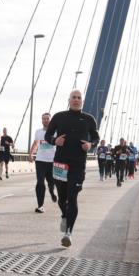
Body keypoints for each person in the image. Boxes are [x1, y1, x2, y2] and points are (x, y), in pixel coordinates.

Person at [44, 89, 99, 248]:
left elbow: (95, 137)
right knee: (62, 198)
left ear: (82, 101)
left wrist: (91, 144)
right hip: (60, 163)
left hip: (78, 165)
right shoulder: (59, 117)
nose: (76, 100)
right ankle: (64, 215)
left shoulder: (89, 119)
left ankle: (68, 233)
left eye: (79, 98)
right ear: (69, 100)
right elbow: (48, 136)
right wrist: (55, 141)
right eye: (73, 97)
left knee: (72, 196)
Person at [29, 112, 57, 213]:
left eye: (47, 119)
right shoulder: (38, 132)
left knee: (51, 182)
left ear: (51, 120)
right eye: (44, 119)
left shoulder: (56, 132)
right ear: (42, 120)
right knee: (40, 182)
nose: (45, 120)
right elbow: (36, 143)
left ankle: (52, 192)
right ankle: (40, 205)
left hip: (52, 161)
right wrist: (31, 154)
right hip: (40, 160)